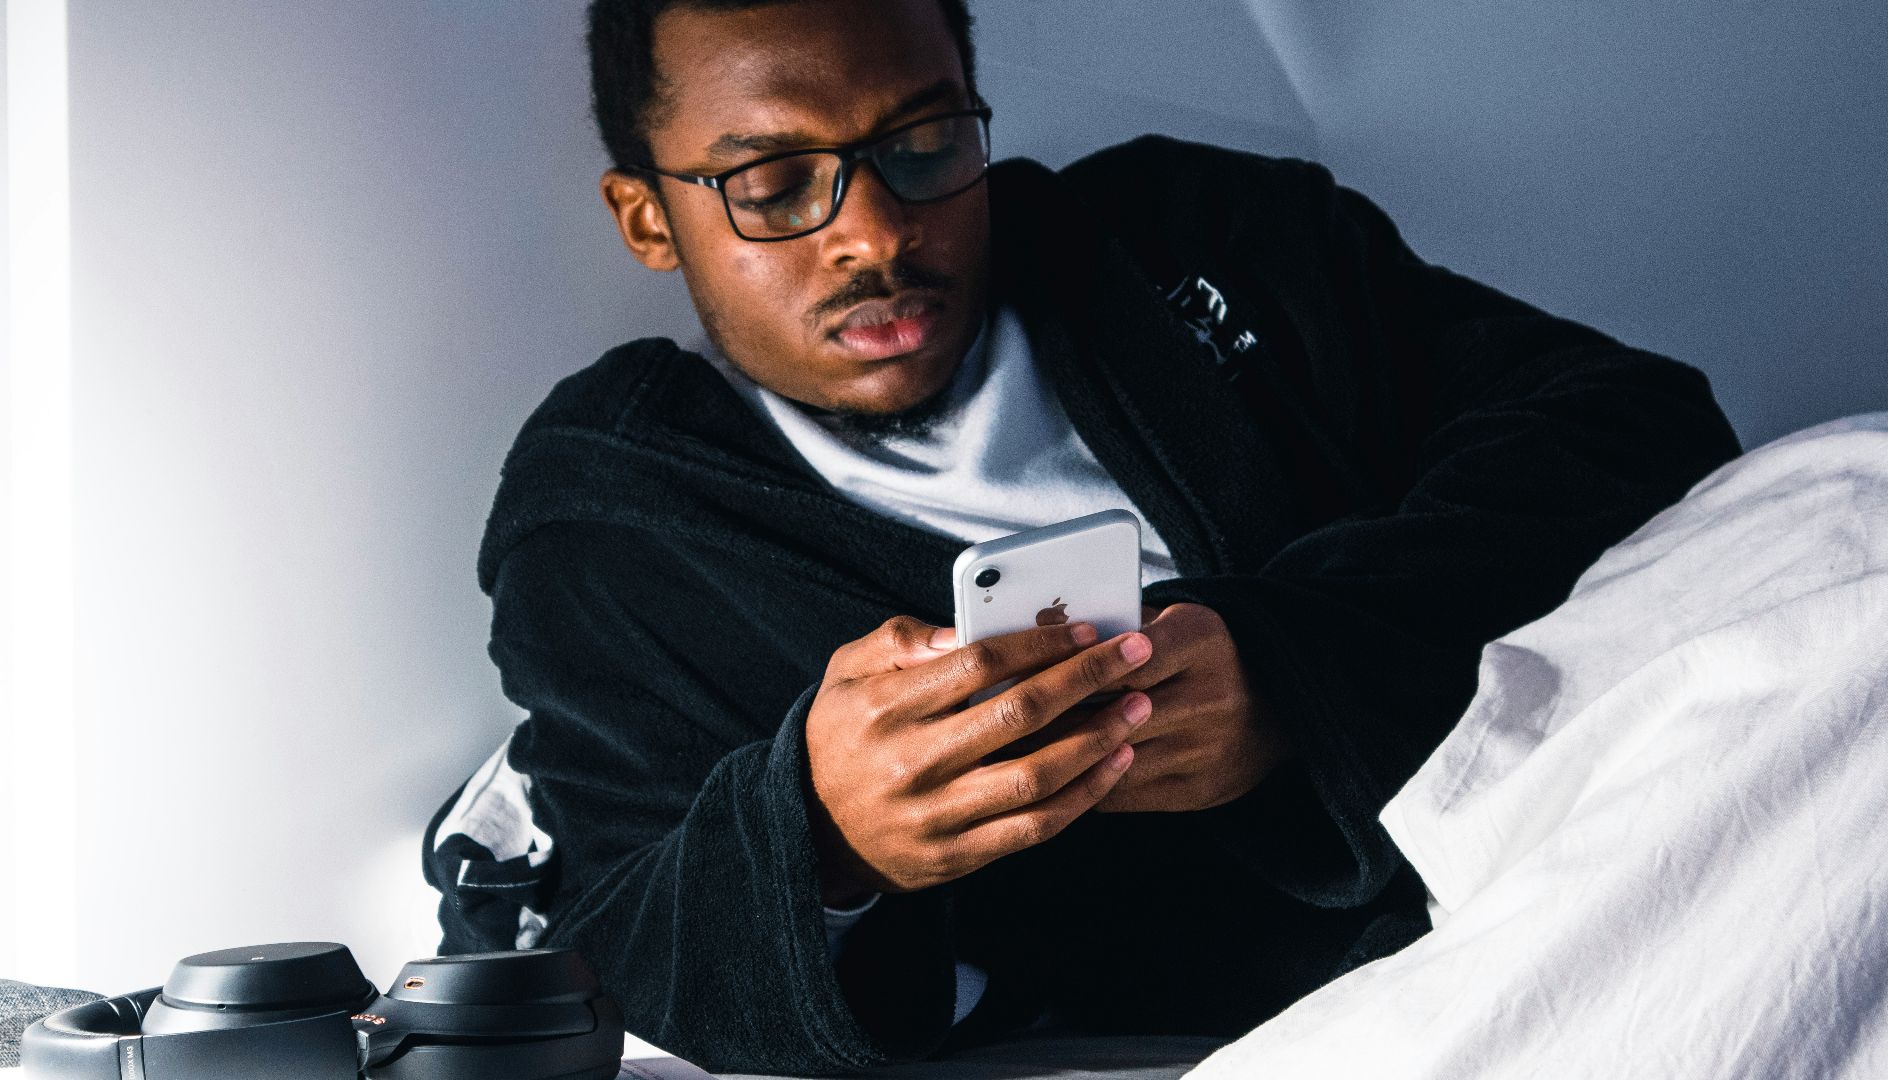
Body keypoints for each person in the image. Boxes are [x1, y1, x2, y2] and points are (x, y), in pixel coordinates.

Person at [422, 0, 1741, 1073]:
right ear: (650, 216)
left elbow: (1627, 421)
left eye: (926, 145)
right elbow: (602, 929)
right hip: (1238, 1028)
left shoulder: (1202, 238)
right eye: (773, 185)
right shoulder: (613, 528)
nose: (875, 234)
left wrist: (1297, 667)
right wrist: (819, 841)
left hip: (1576, 843)